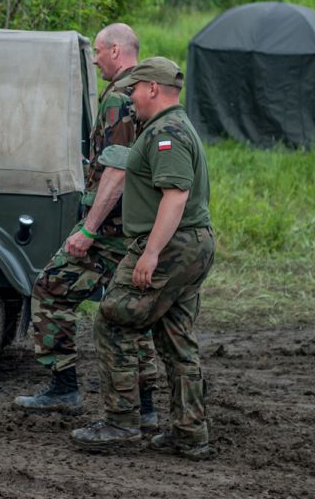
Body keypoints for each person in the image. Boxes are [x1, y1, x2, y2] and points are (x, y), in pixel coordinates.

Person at [14, 24, 159, 430]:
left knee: (50, 287)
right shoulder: (147, 91)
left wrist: (89, 229)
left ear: (116, 50)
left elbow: (118, 168)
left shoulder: (119, 97)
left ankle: (64, 387)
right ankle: (147, 407)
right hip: (137, 228)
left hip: (110, 231)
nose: (94, 60)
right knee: (131, 315)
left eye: (98, 51)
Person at [71, 57, 215, 460]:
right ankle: (190, 432)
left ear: (153, 88)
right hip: (188, 244)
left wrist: (150, 253)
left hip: (170, 246)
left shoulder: (166, 132)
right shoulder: (169, 126)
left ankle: (121, 423)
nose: (130, 96)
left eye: (135, 88)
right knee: (175, 336)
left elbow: (176, 195)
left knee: (113, 319)